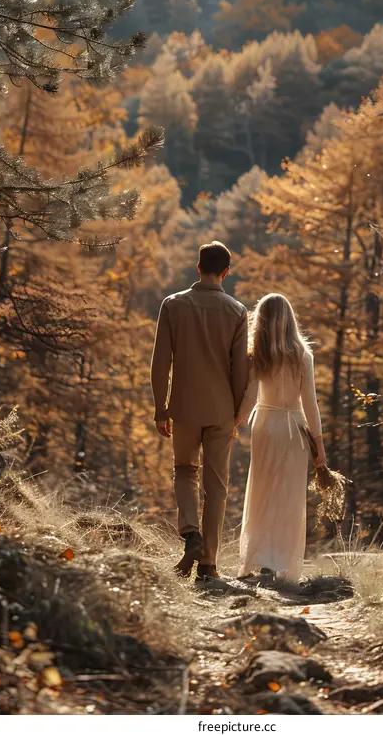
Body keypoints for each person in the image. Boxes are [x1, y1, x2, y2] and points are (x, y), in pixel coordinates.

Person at [150, 241, 249, 581]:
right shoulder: (237, 311)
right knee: (216, 486)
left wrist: (160, 408)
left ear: (198, 267)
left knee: (184, 471)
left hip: (184, 407)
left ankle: (190, 534)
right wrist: (237, 415)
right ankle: (208, 565)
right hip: (222, 410)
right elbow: (241, 371)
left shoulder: (173, 304)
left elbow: (161, 361)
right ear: (226, 272)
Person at [236, 293, 326, 583]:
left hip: (264, 425)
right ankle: (280, 563)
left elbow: (250, 396)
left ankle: (260, 558)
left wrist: (235, 422)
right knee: (288, 497)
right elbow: (310, 404)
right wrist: (319, 447)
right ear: (290, 320)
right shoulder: (302, 354)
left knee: (262, 492)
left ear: (260, 320)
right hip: (294, 428)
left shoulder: (257, 354)